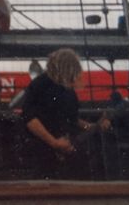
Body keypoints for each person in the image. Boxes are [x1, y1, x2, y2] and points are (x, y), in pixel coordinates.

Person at [21, 48, 110, 179]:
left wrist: (92, 126)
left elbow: (72, 119)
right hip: (42, 149)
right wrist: (54, 143)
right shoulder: (39, 84)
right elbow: (30, 119)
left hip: (62, 148)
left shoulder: (67, 90)